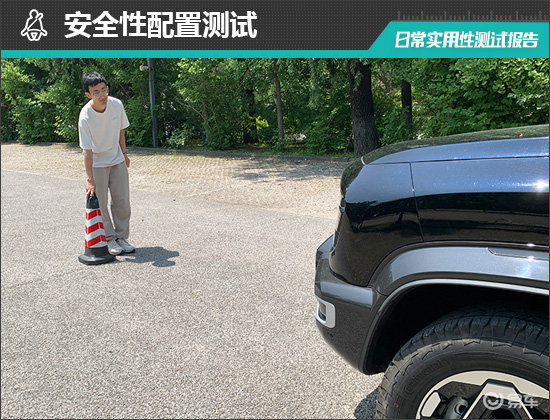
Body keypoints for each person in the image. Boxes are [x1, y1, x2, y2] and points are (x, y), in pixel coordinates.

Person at [79, 72, 135, 255]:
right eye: (96, 92)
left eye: (103, 90)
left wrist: (124, 154)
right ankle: (109, 239)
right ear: (88, 94)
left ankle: (121, 237)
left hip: (117, 159)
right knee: (101, 204)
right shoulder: (85, 116)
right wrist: (90, 179)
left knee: (122, 201)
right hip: (97, 163)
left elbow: (120, 132)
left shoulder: (116, 105)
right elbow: (87, 151)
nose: (102, 95)